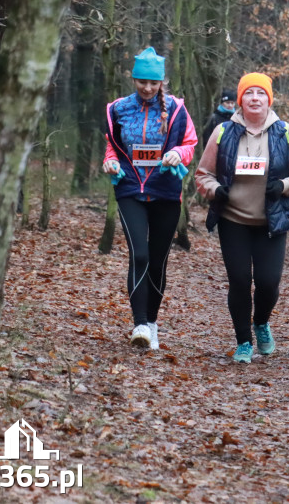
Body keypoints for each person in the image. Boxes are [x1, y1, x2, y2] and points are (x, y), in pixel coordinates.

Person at [195, 72, 289, 363]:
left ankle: (261, 322)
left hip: (271, 221)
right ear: (240, 99)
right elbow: (202, 175)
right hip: (233, 220)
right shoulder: (223, 132)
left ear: (268, 99)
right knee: (239, 279)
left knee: (268, 282)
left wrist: (283, 186)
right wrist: (215, 190)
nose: (255, 98)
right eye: (249, 93)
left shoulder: (285, 132)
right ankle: (243, 342)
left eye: (261, 93)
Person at [103, 47, 198, 350]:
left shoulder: (177, 110)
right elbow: (113, 146)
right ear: (133, 78)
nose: (147, 88)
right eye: (141, 81)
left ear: (161, 83)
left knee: (158, 261)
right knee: (139, 255)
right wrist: (111, 162)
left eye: (153, 83)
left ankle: (153, 323)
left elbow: (190, 143)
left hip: (165, 192)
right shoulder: (118, 109)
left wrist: (176, 153)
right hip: (130, 189)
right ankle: (139, 323)